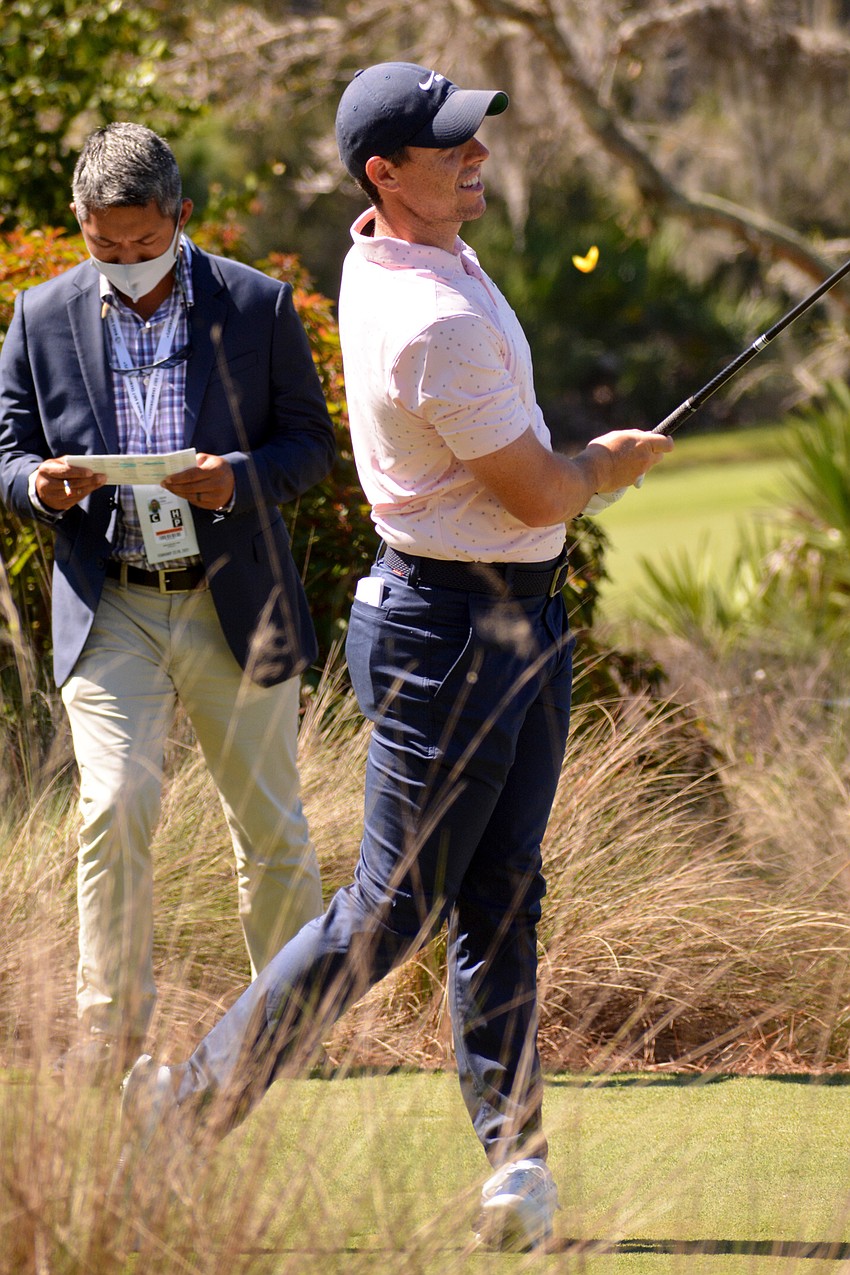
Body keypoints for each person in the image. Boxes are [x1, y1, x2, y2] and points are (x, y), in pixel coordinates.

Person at [117, 65, 673, 1251]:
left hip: (510, 613)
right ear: (383, 173)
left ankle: (513, 1166)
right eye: (451, 147)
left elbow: (525, 498)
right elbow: (535, 487)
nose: (478, 158)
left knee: (503, 892)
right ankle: (187, 1101)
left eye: (475, 140)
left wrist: (574, 476)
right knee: (389, 910)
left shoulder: (404, 251)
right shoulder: (433, 318)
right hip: (449, 632)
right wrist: (608, 463)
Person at [0, 123, 336, 1078]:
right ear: (81, 225)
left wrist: (236, 478)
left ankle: (285, 1036)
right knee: (113, 804)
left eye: (143, 245)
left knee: (270, 827)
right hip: (112, 604)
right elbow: (6, 449)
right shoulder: (41, 314)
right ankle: (110, 1042)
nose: (124, 263)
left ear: (180, 218)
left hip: (236, 601)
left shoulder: (258, 305)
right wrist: (38, 487)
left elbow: (311, 445)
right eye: (104, 246)